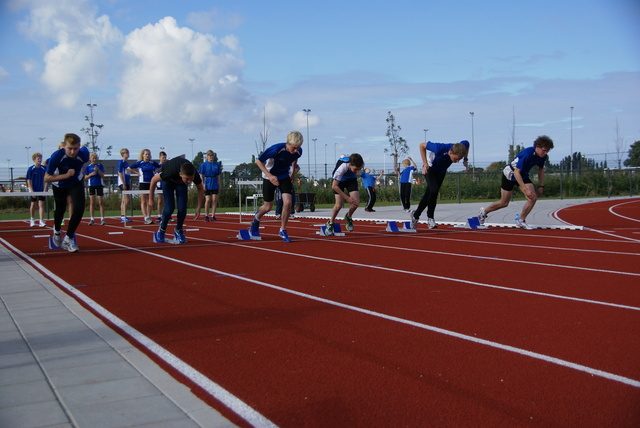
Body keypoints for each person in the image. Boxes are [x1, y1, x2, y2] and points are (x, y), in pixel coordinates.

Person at [478, 135, 554, 229]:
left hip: (523, 175)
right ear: (537, 147)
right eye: (544, 150)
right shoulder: (528, 154)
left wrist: (541, 186)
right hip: (510, 173)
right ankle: (484, 212)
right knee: (504, 203)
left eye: (547, 151)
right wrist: (525, 189)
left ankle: (521, 220)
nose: (545, 153)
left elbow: (540, 169)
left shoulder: (542, 157)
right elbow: (516, 172)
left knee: (532, 197)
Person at [249, 131, 303, 242]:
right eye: (294, 148)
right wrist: (270, 176)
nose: (296, 150)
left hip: (284, 175)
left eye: (298, 148)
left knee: (288, 202)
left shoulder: (298, 152)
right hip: (269, 175)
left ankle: (282, 229)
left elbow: (294, 159)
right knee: (268, 207)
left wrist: (292, 174)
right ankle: (257, 218)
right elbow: (258, 161)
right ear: (287, 143)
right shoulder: (276, 149)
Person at [44, 133, 90, 252]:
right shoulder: (56, 156)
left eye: (75, 149)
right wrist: (66, 175)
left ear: (79, 147)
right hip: (59, 184)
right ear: (64, 146)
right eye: (69, 148)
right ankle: (57, 231)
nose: (72, 152)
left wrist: (80, 173)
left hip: (75, 182)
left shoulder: (84, 154)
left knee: (79, 208)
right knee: (60, 210)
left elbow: (83, 158)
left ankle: (68, 238)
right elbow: (47, 178)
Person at [409, 140, 470, 230]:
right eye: (455, 159)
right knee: (434, 190)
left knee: (429, 195)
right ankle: (430, 218)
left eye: (459, 159)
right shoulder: (439, 148)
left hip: (441, 171)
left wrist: (465, 159)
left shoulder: (461, 146)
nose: (457, 162)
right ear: (450, 152)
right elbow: (421, 145)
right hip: (430, 168)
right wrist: (425, 164)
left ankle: (415, 215)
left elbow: (467, 143)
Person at [148, 156, 204, 244]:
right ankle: (161, 230)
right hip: (168, 182)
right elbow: (153, 180)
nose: (189, 182)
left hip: (180, 184)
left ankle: (179, 229)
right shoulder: (169, 172)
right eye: (187, 179)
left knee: (182, 208)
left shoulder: (194, 174)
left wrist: (199, 207)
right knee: (169, 208)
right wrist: (150, 199)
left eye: (191, 179)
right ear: (180, 174)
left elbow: (201, 189)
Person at [325, 153, 365, 235]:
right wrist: (347, 198)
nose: (357, 171)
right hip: (339, 182)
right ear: (350, 165)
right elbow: (334, 186)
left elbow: (357, 170)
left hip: (351, 180)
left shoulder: (361, 163)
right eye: (355, 169)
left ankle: (348, 216)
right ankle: (331, 222)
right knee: (339, 205)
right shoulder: (341, 168)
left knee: (356, 203)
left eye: (359, 169)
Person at [128, 149, 161, 224]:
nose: (147, 156)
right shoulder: (140, 163)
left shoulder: (152, 163)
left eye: (148, 154)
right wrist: (136, 173)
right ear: (143, 155)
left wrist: (155, 172)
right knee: (143, 201)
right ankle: (145, 216)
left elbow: (160, 167)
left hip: (151, 182)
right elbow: (129, 168)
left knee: (149, 200)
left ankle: (149, 216)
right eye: (146, 154)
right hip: (143, 182)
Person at [198, 150, 221, 222]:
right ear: (207, 156)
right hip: (207, 182)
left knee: (214, 199)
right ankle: (206, 215)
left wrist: (219, 185)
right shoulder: (203, 165)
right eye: (210, 155)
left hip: (214, 182)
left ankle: (213, 215)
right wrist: (202, 184)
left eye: (212, 155)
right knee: (208, 200)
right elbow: (201, 175)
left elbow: (218, 175)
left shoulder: (216, 165)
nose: (211, 157)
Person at [84, 152, 106, 225]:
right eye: (92, 158)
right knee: (92, 202)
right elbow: (85, 177)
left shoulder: (100, 165)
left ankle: (102, 219)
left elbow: (103, 176)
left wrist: (98, 170)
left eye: (95, 158)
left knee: (100, 202)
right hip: (92, 185)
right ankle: (92, 219)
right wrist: (90, 174)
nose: (94, 159)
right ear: (90, 159)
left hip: (99, 184)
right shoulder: (88, 166)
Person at [26, 152, 48, 227]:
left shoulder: (44, 168)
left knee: (41, 204)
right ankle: (32, 219)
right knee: (33, 204)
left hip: (41, 189)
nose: (40, 160)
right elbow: (28, 180)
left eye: (40, 158)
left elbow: (46, 180)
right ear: (34, 160)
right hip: (34, 189)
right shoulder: (31, 169)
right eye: (38, 158)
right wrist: (31, 191)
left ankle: (41, 220)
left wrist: (45, 189)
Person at [117, 148, 132, 222]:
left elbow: (127, 173)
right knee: (126, 199)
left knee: (124, 199)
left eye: (128, 152)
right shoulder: (121, 162)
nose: (128, 154)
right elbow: (120, 173)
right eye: (126, 153)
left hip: (127, 182)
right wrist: (123, 183)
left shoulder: (126, 163)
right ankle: (123, 215)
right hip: (123, 183)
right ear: (123, 154)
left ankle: (123, 215)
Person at [155, 151, 168, 222]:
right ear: (159, 157)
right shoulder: (157, 167)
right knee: (160, 201)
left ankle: (167, 215)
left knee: (167, 201)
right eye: (163, 157)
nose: (164, 159)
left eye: (165, 157)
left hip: (166, 185)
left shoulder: (167, 166)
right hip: (159, 185)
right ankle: (159, 215)